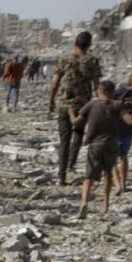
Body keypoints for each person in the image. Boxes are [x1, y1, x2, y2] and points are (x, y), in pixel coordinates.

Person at [73, 79, 132, 218]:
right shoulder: (118, 105)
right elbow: (130, 121)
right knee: (107, 174)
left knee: (89, 177)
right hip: (112, 143)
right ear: (113, 93)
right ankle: (105, 205)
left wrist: (71, 112)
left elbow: (76, 122)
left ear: (98, 91)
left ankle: (84, 203)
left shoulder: (91, 104)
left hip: (95, 144)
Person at [47, 31, 101, 185]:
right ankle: (71, 163)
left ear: (75, 43)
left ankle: (62, 175)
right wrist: (101, 103)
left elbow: (56, 82)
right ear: (89, 45)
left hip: (65, 103)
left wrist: (51, 100)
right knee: (78, 133)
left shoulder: (65, 58)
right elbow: (97, 83)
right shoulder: (92, 60)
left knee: (64, 139)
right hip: (84, 104)